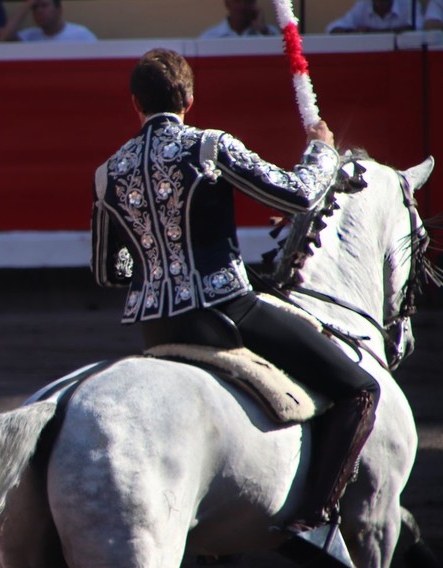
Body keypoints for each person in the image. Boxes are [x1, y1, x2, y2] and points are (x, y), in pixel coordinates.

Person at [91, 48, 379, 538]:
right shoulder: (208, 147)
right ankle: (314, 521)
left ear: (134, 103)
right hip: (225, 312)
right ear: (189, 98)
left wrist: (157, 264)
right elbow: (299, 195)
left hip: (154, 328)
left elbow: (109, 272)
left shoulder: (108, 173)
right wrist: (322, 151)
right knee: (361, 390)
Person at [1, 0, 97, 42]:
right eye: (34, 8)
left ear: (58, 10)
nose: (39, 11)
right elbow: (5, 37)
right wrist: (28, 4)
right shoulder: (29, 36)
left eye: (44, 5)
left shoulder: (80, 34)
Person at [326, 0, 421, 33]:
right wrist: (353, 32)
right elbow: (333, 29)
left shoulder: (408, 4)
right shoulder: (363, 5)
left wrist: (369, 32)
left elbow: (418, 28)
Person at [200, 0, 278, 38]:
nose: (242, 5)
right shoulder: (210, 37)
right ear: (227, 3)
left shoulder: (269, 33)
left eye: (248, 1)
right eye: (237, 1)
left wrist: (263, 30)